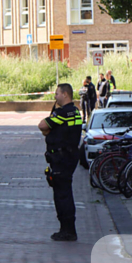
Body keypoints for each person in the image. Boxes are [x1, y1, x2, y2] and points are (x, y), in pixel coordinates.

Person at [38, 83, 83, 241]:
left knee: (62, 194)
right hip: (69, 156)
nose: (55, 97)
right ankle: (67, 228)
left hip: (61, 158)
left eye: (57, 94)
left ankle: (67, 230)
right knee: (65, 192)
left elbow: (42, 126)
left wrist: (50, 128)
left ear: (65, 94)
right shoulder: (76, 112)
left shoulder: (62, 113)